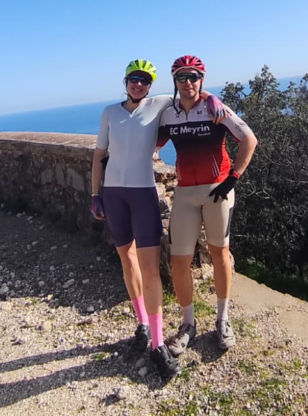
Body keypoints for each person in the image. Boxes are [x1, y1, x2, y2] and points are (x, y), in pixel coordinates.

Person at [90, 59, 227, 379]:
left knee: (150, 269)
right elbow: (99, 156)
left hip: (143, 195)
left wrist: (212, 98)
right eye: (134, 79)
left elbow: (190, 91)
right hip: (113, 194)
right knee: (127, 261)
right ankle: (142, 324)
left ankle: (157, 343)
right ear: (125, 81)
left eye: (145, 80)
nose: (139, 84)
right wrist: (95, 194)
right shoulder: (109, 112)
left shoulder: (160, 103)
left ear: (151, 84)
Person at [158, 55, 257, 356]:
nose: (188, 82)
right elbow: (150, 143)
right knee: (179, 261)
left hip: (218, 191)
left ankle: (223, 319)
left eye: (193, 76)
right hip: (185, 194)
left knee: (220, 254)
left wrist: (233, 178)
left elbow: (249, 140)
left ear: (202, 79)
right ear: (174, 81)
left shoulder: (216, 109)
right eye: (181, 77)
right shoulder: (169, 114)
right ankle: (188, 324)